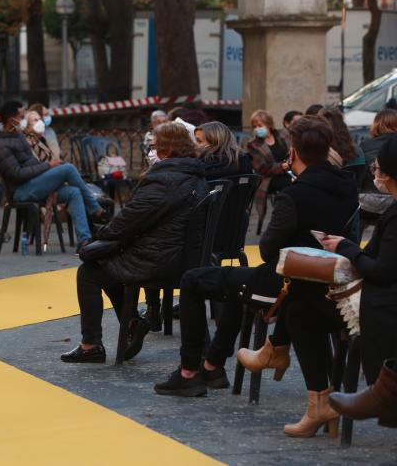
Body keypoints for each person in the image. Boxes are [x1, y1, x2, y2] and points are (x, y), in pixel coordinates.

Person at [154, 118, 359, 406]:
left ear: (294, 152)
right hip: (326, 279)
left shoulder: (294, 195)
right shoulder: (348, 187)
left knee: (193, 280)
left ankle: (189, 372)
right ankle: (212, 367)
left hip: (284, 282)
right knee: (237, 282)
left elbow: (267, 250)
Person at [60, 123, 206, 363]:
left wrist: (99, 237)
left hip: (159, 259)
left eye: (154, 146)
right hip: (184, 256)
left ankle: (91, 345)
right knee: (105, 263)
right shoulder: (194, 173)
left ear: (167, 149)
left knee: (89, 271)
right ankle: (131, 323)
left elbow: (130, 220)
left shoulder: (165, 179)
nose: (151, 151)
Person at [319, 136, 397, 427]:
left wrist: (345, 248)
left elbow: (382, 272)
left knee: (303, 307)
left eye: (378, 167)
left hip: (386, 307)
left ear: (386, 173)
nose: (374, 173)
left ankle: (384, 391)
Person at [0, 101, 105, 251]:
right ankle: (95, 209)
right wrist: (48, 166)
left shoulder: (16, 135)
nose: (24, 119)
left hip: (34, 184)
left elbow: (31, 163)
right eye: (22, 116)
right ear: (11, 120)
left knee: (74, 192)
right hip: (21, 191)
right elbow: (16, 174)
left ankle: (84, 240)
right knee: (68, 169)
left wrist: (49, 174)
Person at [247, 109, 291, 218]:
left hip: (290, 171)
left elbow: (293, 151)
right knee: (289, 185)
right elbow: (262, 168)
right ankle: (284, 216)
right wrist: (281, 166)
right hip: (269, 179)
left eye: (260, 125)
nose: (257, 129)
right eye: (254, 126)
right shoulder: (253, 145)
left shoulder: (283, 134)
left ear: (269, 124)